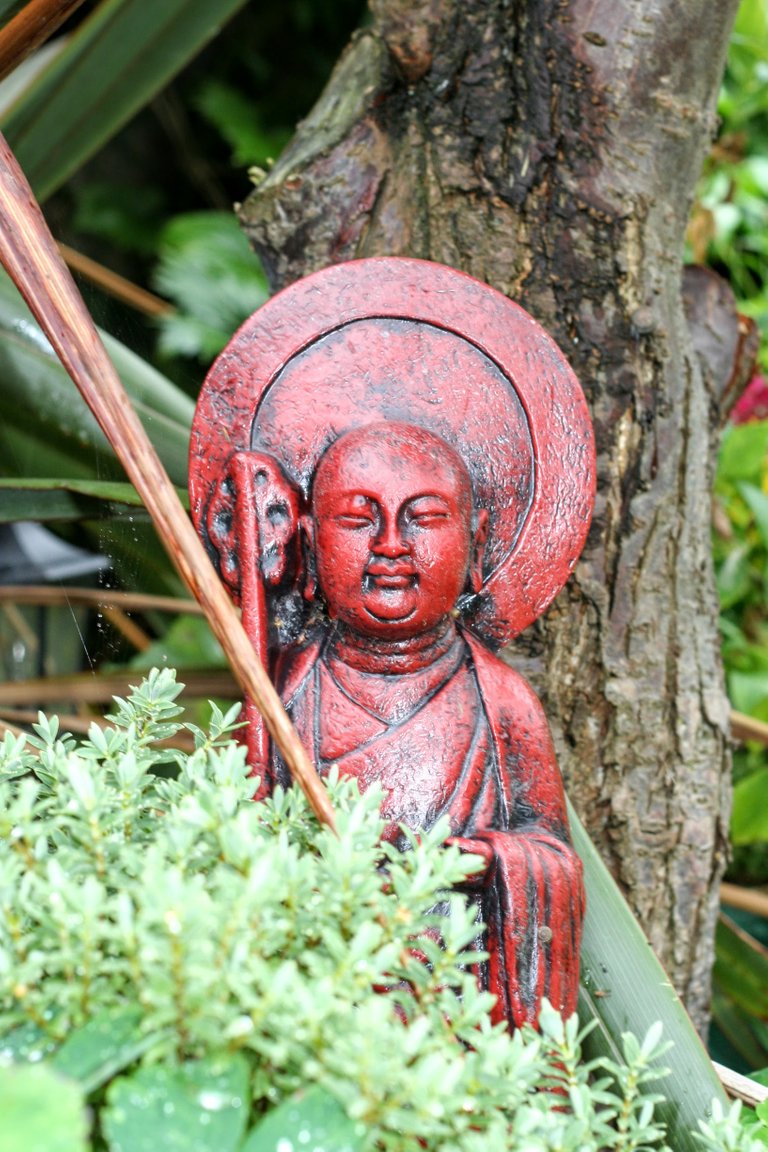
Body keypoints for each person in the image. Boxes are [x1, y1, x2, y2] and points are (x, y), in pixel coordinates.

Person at [267, 420, 584, 1030]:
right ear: (308, 542)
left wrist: (490, 861)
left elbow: (552, 859)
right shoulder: (283, 691)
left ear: (475, 543)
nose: (390, 544)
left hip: (458, 1002)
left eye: (424, 517)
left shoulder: (501, 701)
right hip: (322, 994)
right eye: (359, 520)